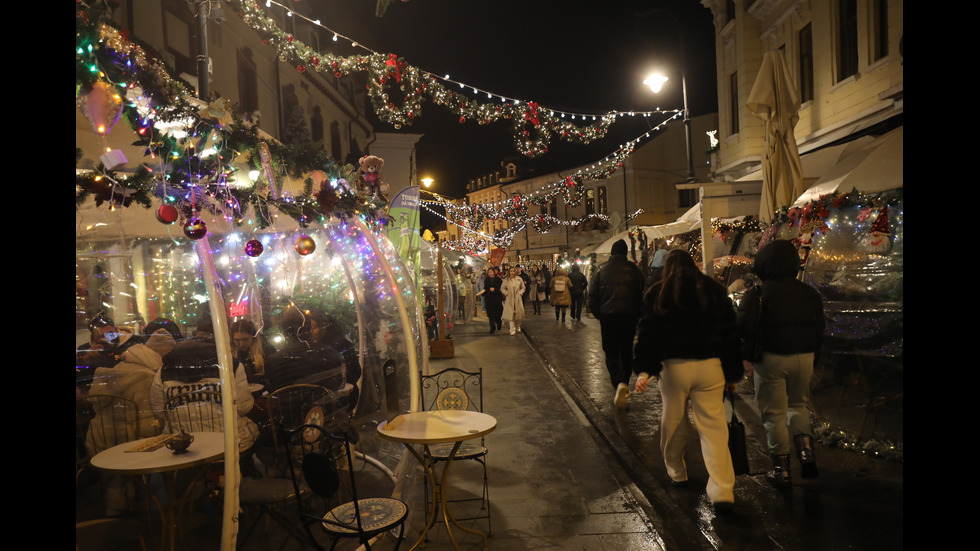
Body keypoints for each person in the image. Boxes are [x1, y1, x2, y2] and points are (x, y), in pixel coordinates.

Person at [632, 249, 744, 511]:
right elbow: (730, 336)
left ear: (667, 269)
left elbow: (648, 336)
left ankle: (676, 471)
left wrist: (644, 370)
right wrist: (731, 373)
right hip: (711, 368)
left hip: (674, 369)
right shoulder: (715, 292)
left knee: (673, 421)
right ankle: (722, 489)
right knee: (714, 429)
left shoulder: (658, 294)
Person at [737, 240, 825, 487]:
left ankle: (781, 470)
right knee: (798, 405)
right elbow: (820, 328)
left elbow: (742, 327)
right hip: (804, 357)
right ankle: (806, 453)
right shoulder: (809, 293)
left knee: (773, 414)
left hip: (771, 359)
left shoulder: (757, 294)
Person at [587, 239, 645, 408]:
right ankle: (624, 381)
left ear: (612, 253)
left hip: (608, 317)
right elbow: (642, 294)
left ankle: (617, 381)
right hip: (629, 316)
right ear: (625, 252)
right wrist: (638, 314)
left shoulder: (600, 270)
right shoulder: (634, 270)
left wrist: (600, 315)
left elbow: (592, 297)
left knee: (611, 350)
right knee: (626, 350)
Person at [501, 266, 527, 335]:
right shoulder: (506, 280)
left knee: (518, 314)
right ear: (509, 272)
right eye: (511, 271)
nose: (512, 272)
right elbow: (502, 288)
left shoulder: (519, 279)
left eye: (513, 271)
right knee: (511, 314)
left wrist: (520, 293)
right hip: (510, 299)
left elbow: (523, 288)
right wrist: (507, 293)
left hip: (518, 299)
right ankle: (512, 329)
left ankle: (518, 325)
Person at [481, 267, 504, 334]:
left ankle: (499, 323)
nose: (490, 273)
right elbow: (485, 288)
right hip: (489, 300)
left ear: (494, 272)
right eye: (489, 272)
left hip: (497, 300)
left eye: (491, 272)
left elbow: (501, 289)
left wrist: (495, 290)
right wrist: (482, 293)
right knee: (490, 315)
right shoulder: (486, 280)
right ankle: (492, 327)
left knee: (497, 315)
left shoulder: (498, 280)